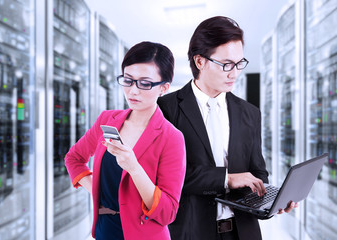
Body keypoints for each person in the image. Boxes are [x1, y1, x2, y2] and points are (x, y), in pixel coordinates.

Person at [157, 16, 297, 240]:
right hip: (192, 231)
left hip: (244, 232)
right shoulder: (165, 109)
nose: (234, 73)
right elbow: (164, 176)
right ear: (200, 61)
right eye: (226, 65)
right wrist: (227, 178)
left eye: (240, 63)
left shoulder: (249, 113)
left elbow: (257, 173)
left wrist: (271, 203)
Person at [65, 41, 186, 240]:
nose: (133, 91)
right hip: (105, 230)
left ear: (164, 88)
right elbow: (74, 158)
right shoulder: (107, 120)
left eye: (145, 83)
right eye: (128, 80)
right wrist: (96, 191)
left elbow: (168, 212)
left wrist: (134, 168)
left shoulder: (171, 138)